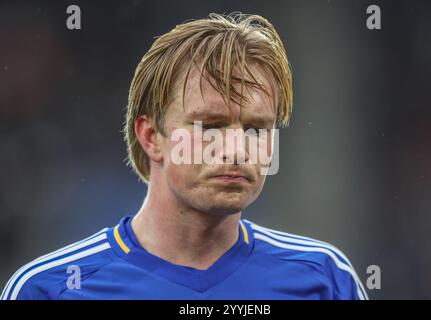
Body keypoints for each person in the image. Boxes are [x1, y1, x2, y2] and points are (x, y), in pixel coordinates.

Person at [1, 13, 368, 300]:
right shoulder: (51, 289)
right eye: (210, 126)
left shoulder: (324, 279)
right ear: (151, 136)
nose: (237, 149)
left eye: (257, 129)